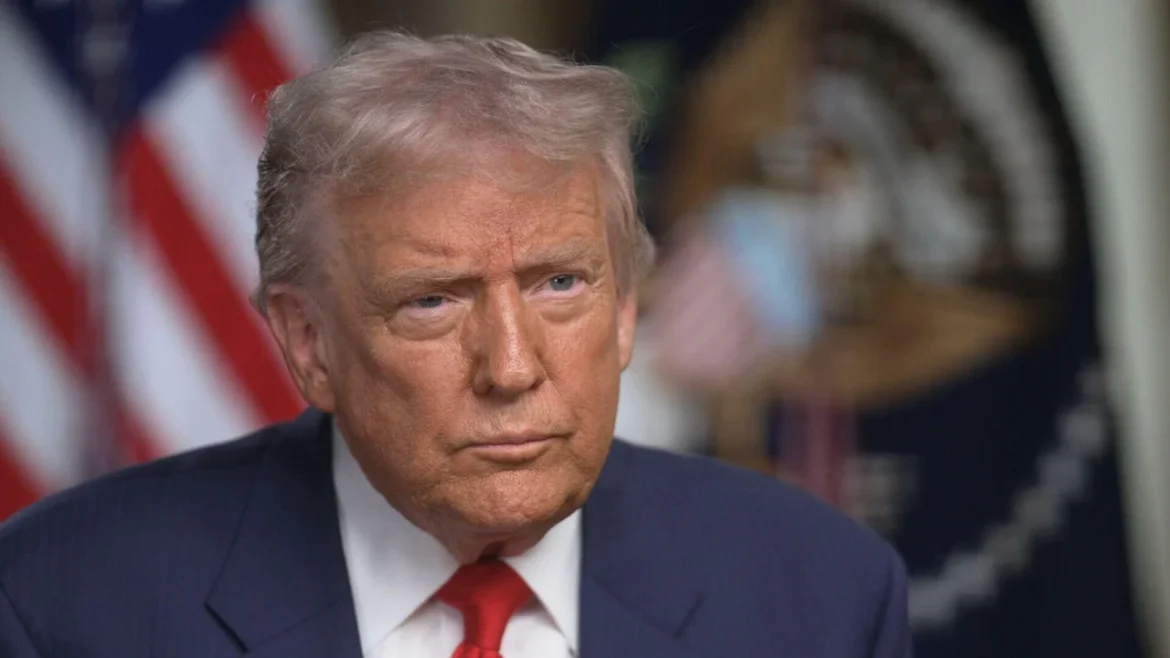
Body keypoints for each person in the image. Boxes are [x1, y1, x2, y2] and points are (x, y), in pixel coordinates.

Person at [0, 32, 910, 658]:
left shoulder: (821, 598)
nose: (513, 368)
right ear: (308, 343)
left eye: (561, 284)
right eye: (433, 301)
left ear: (628, 308)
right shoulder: (69, 603)